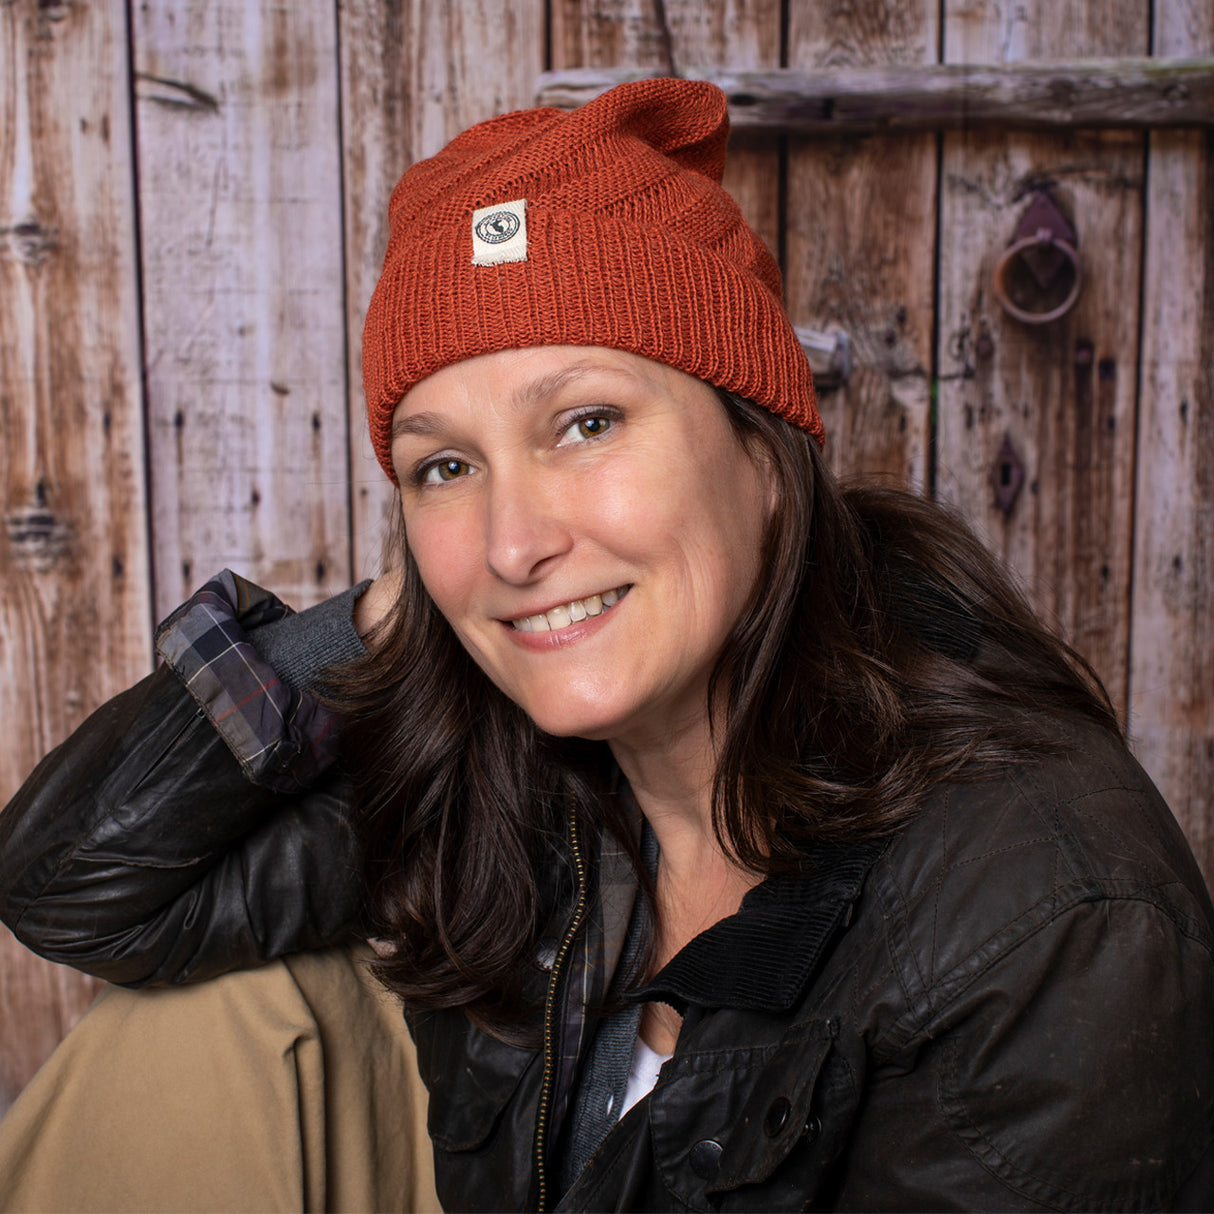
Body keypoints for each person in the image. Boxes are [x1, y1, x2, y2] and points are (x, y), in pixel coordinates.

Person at [1, 77, 1212, 1212]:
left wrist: (479, 584)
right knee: (191, 1021)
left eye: (585, 422)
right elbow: (73, 889)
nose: (514, 538)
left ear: (765, 452)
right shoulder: (505, 760)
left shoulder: (1050, 923)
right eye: (444, 465)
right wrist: (419, 608)